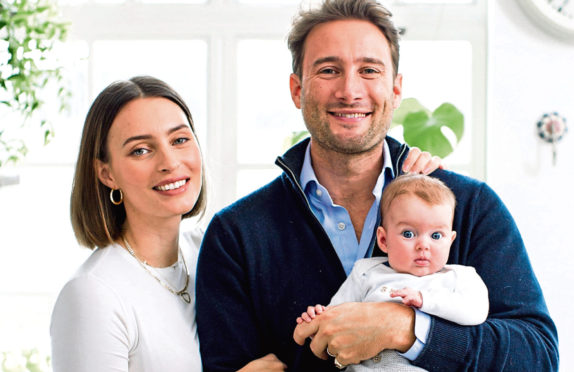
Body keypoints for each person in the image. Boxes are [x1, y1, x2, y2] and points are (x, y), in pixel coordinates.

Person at [196, 0, 558, 371]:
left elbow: (537, 356)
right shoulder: (236, 236)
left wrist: (407, 330)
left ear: (396, 90)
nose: (350, 91)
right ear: (296, 89)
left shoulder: (470, 207)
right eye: (329, 70)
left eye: (369, 70)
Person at [295, 174, 489, 371]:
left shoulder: (459, 277)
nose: (423, 245)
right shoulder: (366, 272)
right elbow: (336, 317)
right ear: (384, 240)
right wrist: (317, 319)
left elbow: (476, 312)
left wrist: (425, 301)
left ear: (450, 240)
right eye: (408, 234)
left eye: (436, 236)